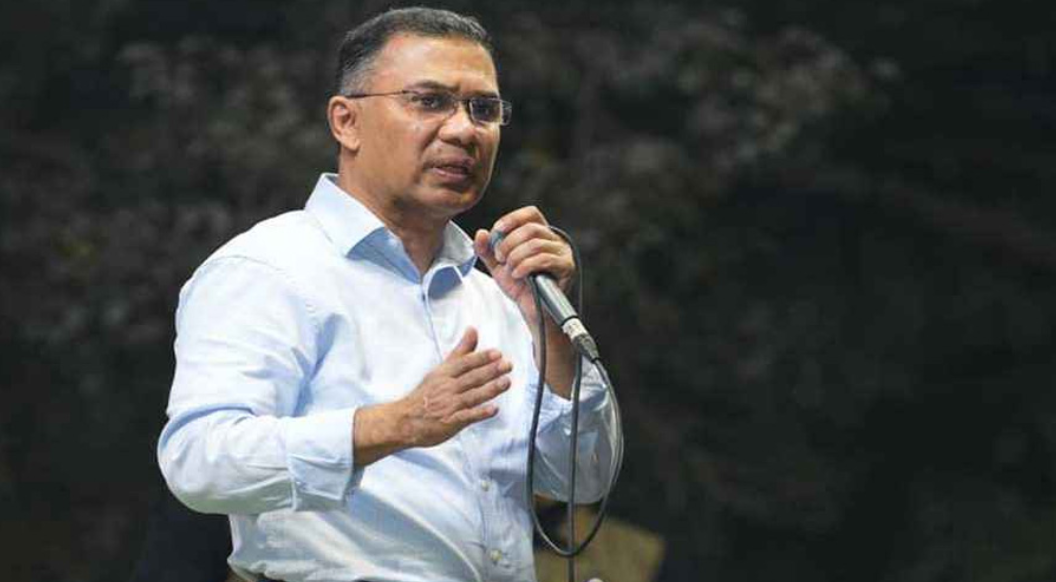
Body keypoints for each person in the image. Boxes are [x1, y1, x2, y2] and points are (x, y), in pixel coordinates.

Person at [157, 7, 619, 582]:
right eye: (429, 101)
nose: (463, 130)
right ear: (346, 121)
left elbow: (582, 480)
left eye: (483, 109)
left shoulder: (500, 296)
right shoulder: (269, 269)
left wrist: (552, 332)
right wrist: (395, 423)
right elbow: (199, 461)